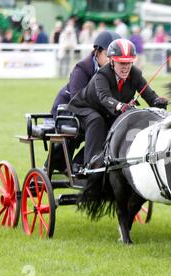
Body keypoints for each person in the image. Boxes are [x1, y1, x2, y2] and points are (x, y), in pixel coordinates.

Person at [67, 39, 169, 166]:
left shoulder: (135, 73)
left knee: (122, 125)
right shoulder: (102, 75)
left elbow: (148, 95)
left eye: (129, 63)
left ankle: (84, 162)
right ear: (112, 61)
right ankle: (90, 165)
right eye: (121, 63)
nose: (126, 67)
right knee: (97, 120)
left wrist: (158, 102)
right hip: (84, 108)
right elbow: (104, 97)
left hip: (108, 112)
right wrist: (121, 106)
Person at [47, 30, 121, 172]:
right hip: (66, 110)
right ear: (97, 52)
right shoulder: (82, 68)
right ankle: (83, 164)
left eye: (115, 57)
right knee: (97, 123)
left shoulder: (116, 71)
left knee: (113, 126)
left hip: (93, 113)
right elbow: (77, 98)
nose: (112, 60)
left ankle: (79, 162)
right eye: (108, 55)